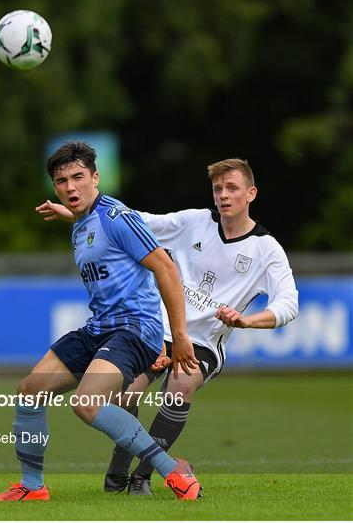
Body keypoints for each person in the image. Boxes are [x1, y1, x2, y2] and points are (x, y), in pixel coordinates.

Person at [39, 157, 299, 496]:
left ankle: (142, 477)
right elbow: (137, 223)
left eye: (232, 188)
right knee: (124, 395)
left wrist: (246, 320)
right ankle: (118, 473)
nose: (223, 195)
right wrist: (78, 213)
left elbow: (288, 304)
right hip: (157, 332)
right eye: (218, 188)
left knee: (181, 383)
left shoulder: (266, 249)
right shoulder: (194, 222)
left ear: (251, 193)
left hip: (203, 343)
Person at [0, 141, 202, 502]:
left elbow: (165, 267)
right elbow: (94, 224)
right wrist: (74, 216)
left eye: (78, 177)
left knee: (87, 403)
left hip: (135, 329)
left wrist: (178, 335)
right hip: (100, 327)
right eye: (61, 181)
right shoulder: (82, 222)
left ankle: (172, 470)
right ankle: (32, 487)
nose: (70, 187)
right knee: (30, 390)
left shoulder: (119, 218)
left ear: (96, 177)